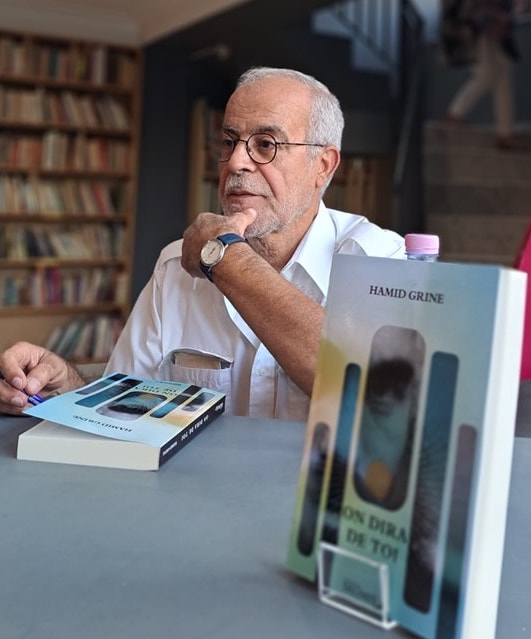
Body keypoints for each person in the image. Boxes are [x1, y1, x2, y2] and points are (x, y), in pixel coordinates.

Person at [0, 67, 404, 420]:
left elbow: (372, 395)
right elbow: (123, 406)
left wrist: (224, 258)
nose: (236, 163)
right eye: (229, 142)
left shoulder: (381, 259)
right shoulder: (174, 264)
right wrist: (63, 387)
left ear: (323, 165)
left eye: (266, 144)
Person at [444, 0, 528, 149]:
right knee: (487, 73)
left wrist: (506, 14)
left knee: (503, 74)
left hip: (494, 26)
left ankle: (505, 133)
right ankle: (456, 111)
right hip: (478, 25)